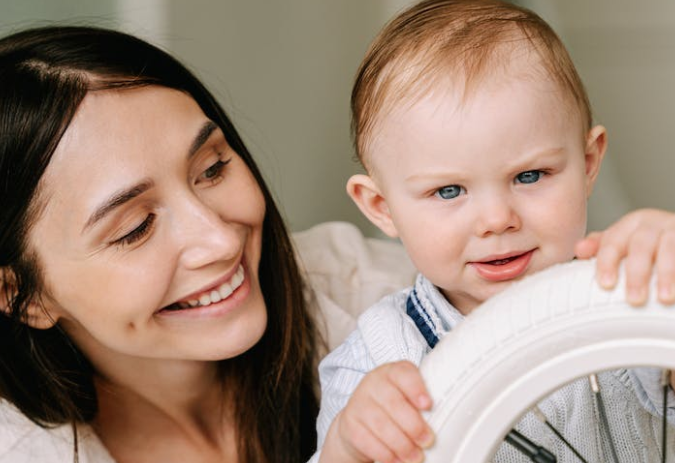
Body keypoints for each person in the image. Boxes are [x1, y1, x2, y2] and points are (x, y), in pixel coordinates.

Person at [312, 1, 675, 462]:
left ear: (587, 164)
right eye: (448, 191)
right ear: (382, 208)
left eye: (530, 176)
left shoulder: (626, 290)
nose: (496, 220)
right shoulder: (380, 357)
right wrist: (348, 446)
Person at [0, 25, 327, 463]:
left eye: (211, 169)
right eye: (135, 227)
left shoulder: (379, 295)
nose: (220, 240)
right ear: (22, 298)